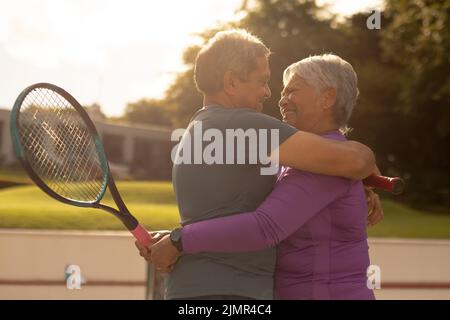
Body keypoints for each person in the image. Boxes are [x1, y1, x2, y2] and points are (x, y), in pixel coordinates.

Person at [137, 30, 376, 300]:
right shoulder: (243, 125)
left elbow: (225, 213)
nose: (270, 93)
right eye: (262, 81)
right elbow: (355, 161)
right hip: (229, 293)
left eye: (291, 90)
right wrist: (367, 162)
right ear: (230, 82)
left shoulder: (200, 128)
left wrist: (176, 239)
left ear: (327, 98)